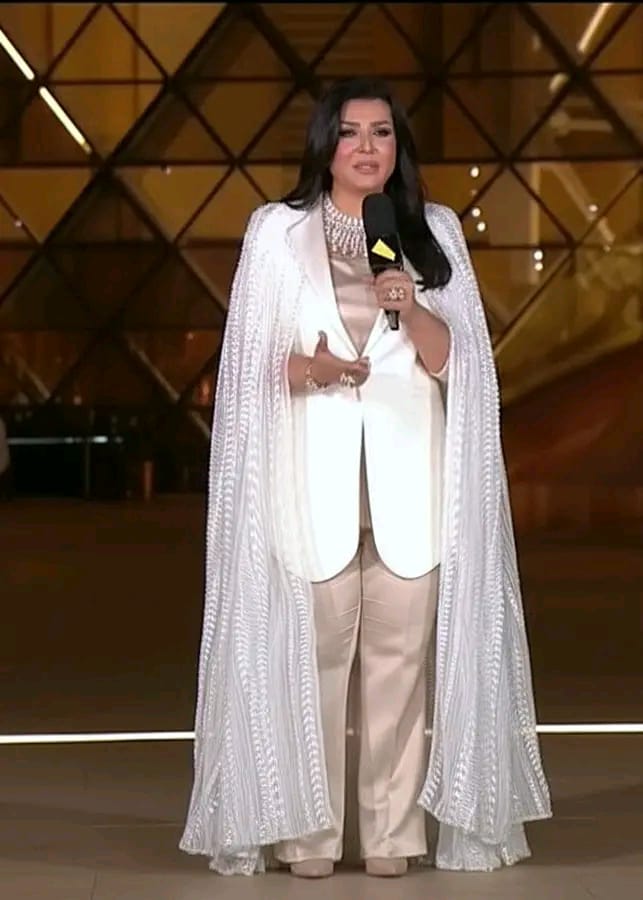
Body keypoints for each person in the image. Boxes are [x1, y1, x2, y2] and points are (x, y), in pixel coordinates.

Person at [180, 77, 551, 879]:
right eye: (350, 132)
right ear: (326, 145)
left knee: (398, 671)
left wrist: (410, 307)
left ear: (397, 146)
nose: (366, 147)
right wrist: (309, 368)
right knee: (312, 668)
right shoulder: (276, 233)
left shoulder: (432, 231)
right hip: (309, 491)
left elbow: (461, 366)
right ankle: (307, 837)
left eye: (381, 133)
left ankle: (391, 836)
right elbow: (243, 368)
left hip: (410, 489)